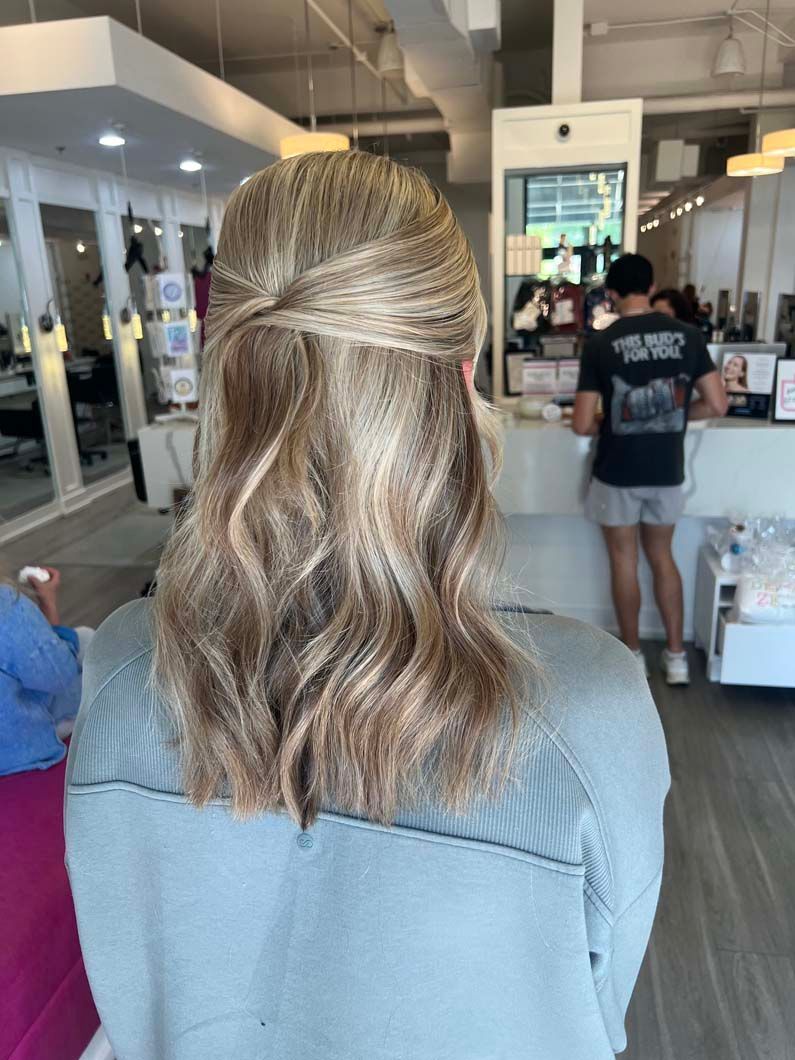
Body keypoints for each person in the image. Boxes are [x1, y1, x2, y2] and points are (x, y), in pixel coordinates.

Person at [66, 153, 669, 1060]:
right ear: (460, 379)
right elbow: (594, 1011)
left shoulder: (120, 669)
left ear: (227, 373)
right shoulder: (585, 710)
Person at [573, 253, 728, 684]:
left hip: (617, 470)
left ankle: (633, 658)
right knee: (662, 557)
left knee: (623, 560)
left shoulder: (601, 343)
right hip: (666, 469)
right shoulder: (688, 336)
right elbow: (717, 403)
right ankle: (677, 658)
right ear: (652, 286)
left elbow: (582, 423)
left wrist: (619, 418)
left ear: (612, 293)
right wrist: (671, 415)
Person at [0, 567, 91, 775]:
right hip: (20, 749)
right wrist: (49, 604)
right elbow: (60, 675)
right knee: (88, 639)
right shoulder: (7, 605)